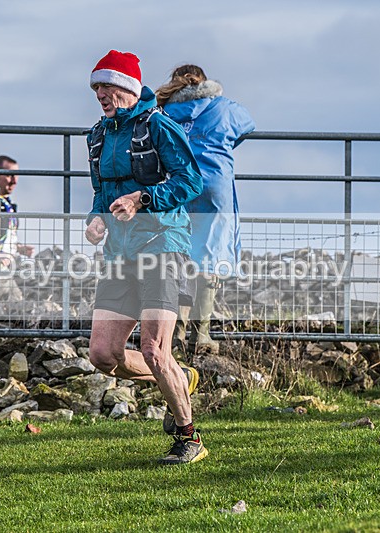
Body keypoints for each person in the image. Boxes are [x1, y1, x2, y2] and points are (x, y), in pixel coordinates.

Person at [84, 50, 207, 465]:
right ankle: (180, 376)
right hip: (119, 252)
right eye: (96, 88)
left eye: (107, 86)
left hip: (162, 245)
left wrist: (144, 198)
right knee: (102, 354)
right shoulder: (97, 135)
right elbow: (101, 193)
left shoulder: (159, 126)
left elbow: (191, 181)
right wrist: (96, 220)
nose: (100, 94)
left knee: (154, 349)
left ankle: (189, 437)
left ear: (129, 88)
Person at [156, 64, 255, 356]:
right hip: (215, 186)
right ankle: (201, 335)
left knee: (180, 254)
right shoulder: (223, 108)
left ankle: (176, 333)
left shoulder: (165, 112)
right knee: (209, 256)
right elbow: (247, 123)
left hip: (179, 185)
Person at [0, 155, 34, 265]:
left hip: (8, 265)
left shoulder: (9, 205)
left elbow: (6, 237)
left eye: (16, 175)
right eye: (9, 175)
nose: (14, 181)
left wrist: (19, 248)